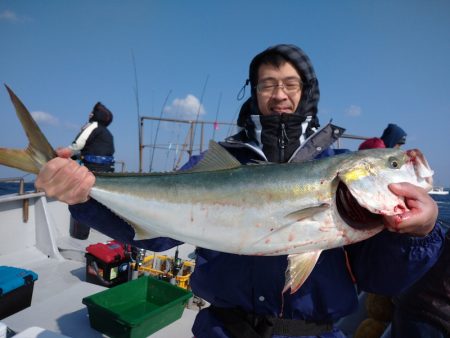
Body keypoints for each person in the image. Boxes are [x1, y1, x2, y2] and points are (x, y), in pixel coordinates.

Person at [34, 44, 444, 338]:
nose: (279, 95)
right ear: (255, 93)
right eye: (267, 85)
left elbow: (384, 279)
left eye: (290, 84)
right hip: (221, 329)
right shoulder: (219, 160)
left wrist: (418, 233)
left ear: (307, 91)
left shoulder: (339, 166)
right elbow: (156, 234)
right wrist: (84, 195)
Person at [62, 102, 115, 239]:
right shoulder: (107, 133)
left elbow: (78, 144)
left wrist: (65, 152)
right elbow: (96, 151)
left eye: (92, 112)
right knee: (98, 201)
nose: (89, 114)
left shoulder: (93, 126)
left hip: (92, 170)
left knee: (81, 199)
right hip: (107, 172)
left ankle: (79, 234)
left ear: (95, 115)